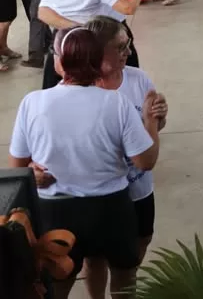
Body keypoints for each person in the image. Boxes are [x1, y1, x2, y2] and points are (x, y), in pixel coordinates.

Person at [8, 27, 161, 299]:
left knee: (57, 285)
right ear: (97, 60)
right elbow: (145, 161)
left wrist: (32, 170)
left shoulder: (33, 103)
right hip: (110, 209)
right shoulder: (116, 103)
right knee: (124, 281)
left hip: (57, 212)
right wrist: (151, 123)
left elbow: (17, 169)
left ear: (61, 62)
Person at [78, 16, 168, 298]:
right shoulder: (80, 89)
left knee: (134, 254)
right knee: (94, 258)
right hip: (98, 193)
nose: (128, 51)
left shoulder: (138, 79)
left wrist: (158, 117)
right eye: (119, 47)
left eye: (128, 44)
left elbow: (154, 129)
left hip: (138, 190)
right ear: (96, 52)